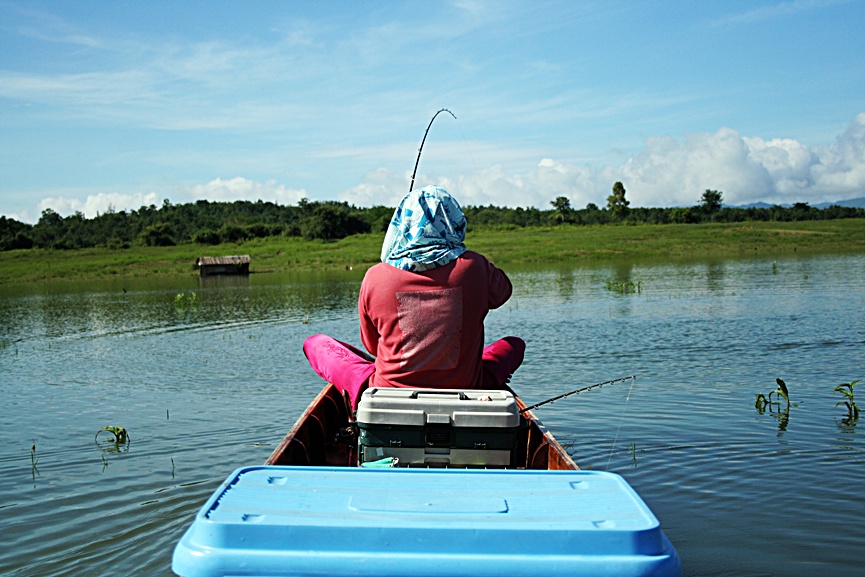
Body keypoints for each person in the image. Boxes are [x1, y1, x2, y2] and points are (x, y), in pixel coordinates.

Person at [303, 185, 525, 408]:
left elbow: (372, 348)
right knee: (514, 345)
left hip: (386, 392)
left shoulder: (375, 276)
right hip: (465, 389)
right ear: (455, 220)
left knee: (315, 343)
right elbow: (503, 292)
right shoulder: (475, 266)